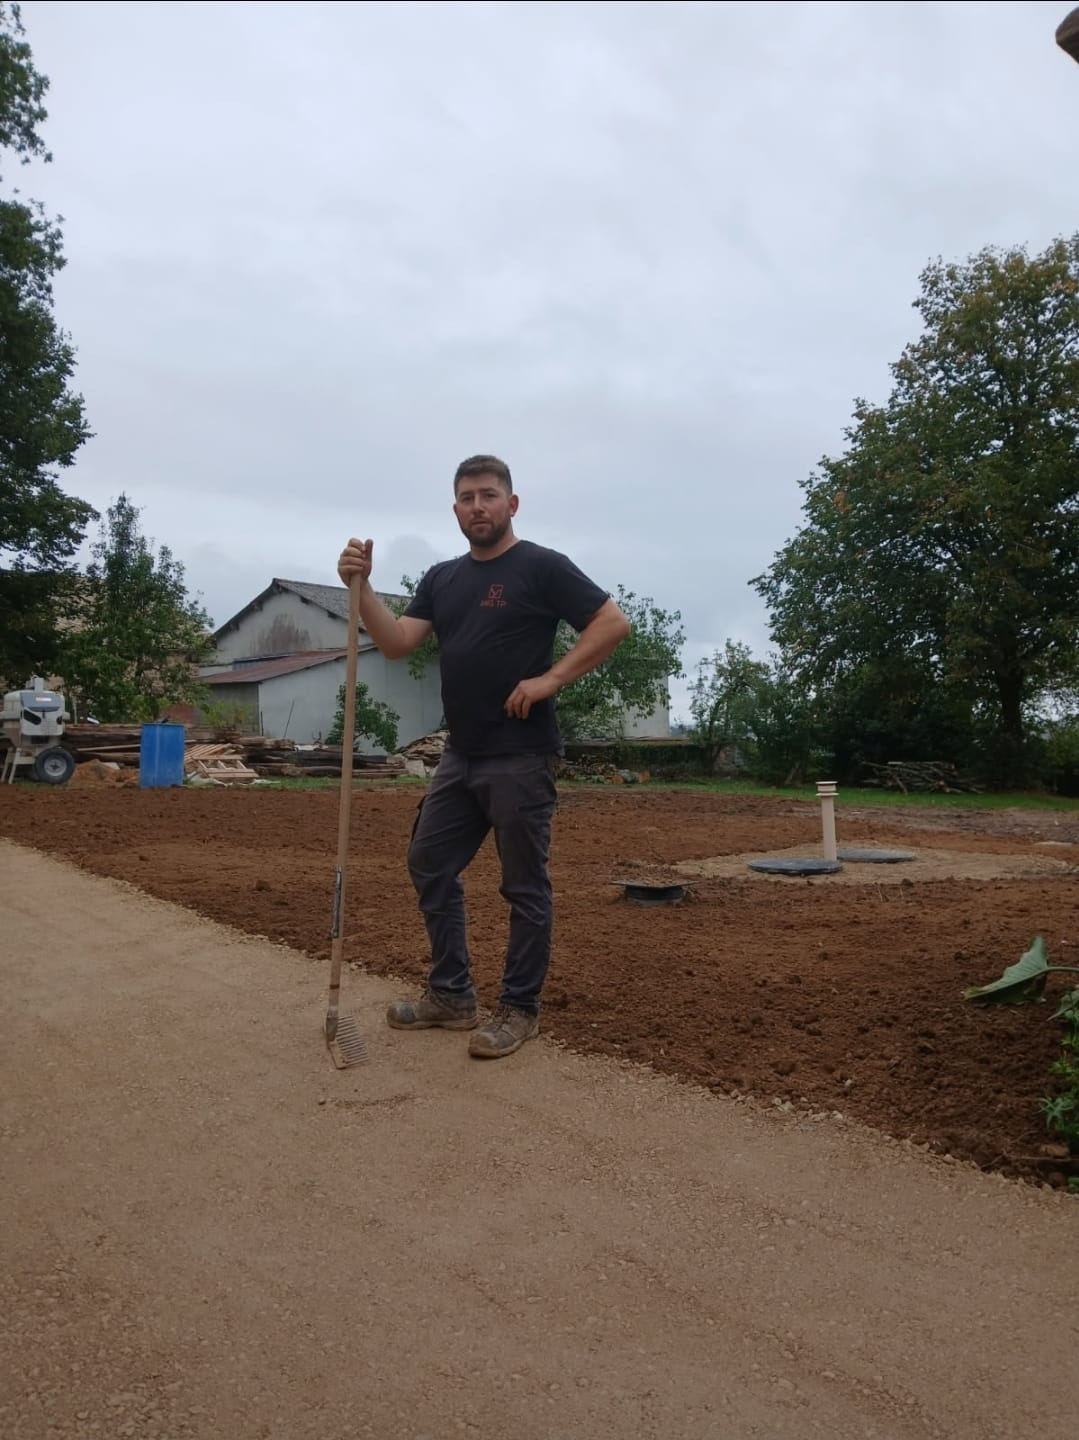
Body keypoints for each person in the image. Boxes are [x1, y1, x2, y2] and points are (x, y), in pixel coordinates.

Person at [337, 454, 630, 1059]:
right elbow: (395, 643)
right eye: (467, 497)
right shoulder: (442, 578)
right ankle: (452, 995)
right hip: (461, 756)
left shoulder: (542, 567)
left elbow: (611, 623)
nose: (478, 506)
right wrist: (359, 588)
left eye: (489, 495)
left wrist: (550, 680)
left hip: (521, 756)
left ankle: (520, 1009)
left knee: (524, 887)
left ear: (511, 504)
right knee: (428, 862)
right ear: (455, 509)